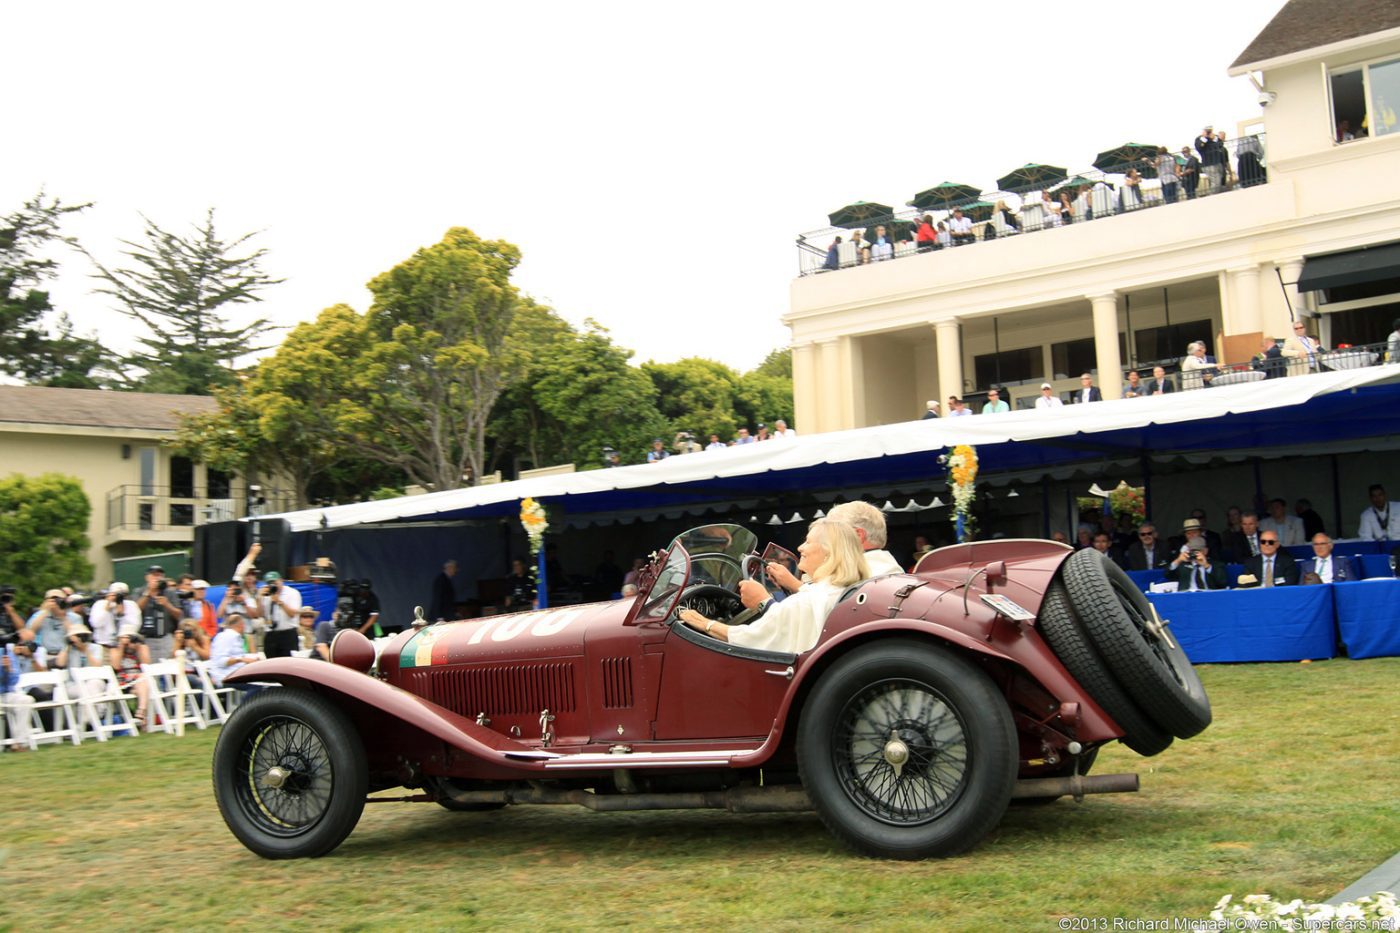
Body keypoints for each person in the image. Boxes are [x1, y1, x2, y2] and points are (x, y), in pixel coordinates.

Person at [676, 519, 867, 655]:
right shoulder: (838, 590)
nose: (800, 547)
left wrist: (704, 623)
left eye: (808, 542)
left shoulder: (810, 600)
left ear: (829, 553)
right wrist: (791, 585)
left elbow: (755, 637)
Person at [110, 622, 152, 729]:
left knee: (142, 680)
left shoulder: (140, 647)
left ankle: (141, 711)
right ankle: (142, 717)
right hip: (122, 681)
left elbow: (146, 665)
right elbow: (115, 666)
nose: (129, 642)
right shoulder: (115, 649)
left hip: (138, 681)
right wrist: (122, 646)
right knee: (143, 686)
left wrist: (138, 647)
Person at [135, 565, 181, 659]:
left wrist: (167, 605)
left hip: (166, 637)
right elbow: (135, 610)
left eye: (160, 575)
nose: (157, 578)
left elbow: (179, 615)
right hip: (146, 638)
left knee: (169, 663)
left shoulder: (170, 592)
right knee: (149, 665)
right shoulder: (139, 591)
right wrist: (148, 593)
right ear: (147, 577)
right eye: (154, 575)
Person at [208, 615, 260, 691]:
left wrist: (250, 659)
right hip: (226, 677)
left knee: (263, 682)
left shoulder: (234, 637)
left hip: (237, 675)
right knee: (259, 688)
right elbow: (220, 661)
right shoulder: (225, 637)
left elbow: (238, 656)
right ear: (241, 625)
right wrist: (241, 659)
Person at [257, 571, 303, 658]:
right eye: (269, 583)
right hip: (270, 634)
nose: (273, 585)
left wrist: (279, 601)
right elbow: (259, 614)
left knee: (288, 662)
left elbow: (293, 614)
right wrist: (259, 598)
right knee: (270, 663)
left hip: (287, 634)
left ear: (281, 580)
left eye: (275, 582)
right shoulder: (266, 594)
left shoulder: (292, 593)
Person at [26, 589, 82, 659]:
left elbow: (76, 638)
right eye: (52, 600)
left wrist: (63, 617)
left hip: (67, 655)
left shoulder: (75, 617)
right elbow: (30, 633)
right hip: (45, 655)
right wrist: (45, 611)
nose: (55, 603)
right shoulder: (39, 616)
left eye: (59, 600)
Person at [88, 582, 140, 651]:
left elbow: (135, 626)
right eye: (116, 594)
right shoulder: (100, 604)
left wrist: (121, 614)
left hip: (125, 646)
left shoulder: (131, 605)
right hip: (103, 645)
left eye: (123, 595)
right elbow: (96, 624)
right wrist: (106, 609)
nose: (119, 597)